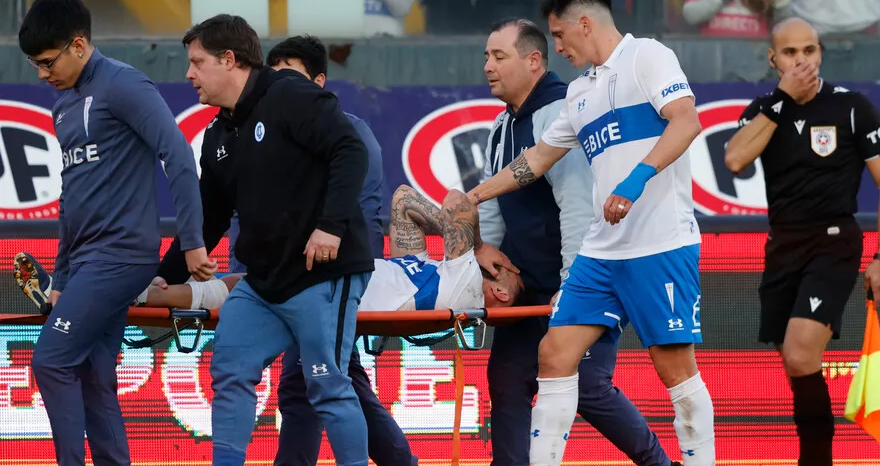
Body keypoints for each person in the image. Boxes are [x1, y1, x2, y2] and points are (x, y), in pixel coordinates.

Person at [465, 0, 720, 466]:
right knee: (555, 354)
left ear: (585, 23)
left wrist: (635, 179)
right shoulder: (580, 92)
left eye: (559, 35)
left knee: (675, 368)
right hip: (602, 252)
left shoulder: (647, 57)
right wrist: (476, 195)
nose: (557, 47)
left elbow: (687, 121)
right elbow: (537, 159)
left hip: (660, 242)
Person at [148, 14, 374, 466]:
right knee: (229, 368)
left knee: (327, 384)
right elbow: (208, 220)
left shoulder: (290, 93)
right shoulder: (217, 134)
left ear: (230, 60)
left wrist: (331, 226)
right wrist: (165, 276)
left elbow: (350, 149)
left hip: (323, 271)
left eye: (197, 62)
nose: (189, 74)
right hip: (264, 282)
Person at [13, 0, 214, 466]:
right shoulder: (63, 104)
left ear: (79, 45)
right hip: (87, 263)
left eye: (48, 61)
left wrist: (192, 241)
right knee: (93, 374)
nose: (42, 74)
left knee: (51, 360)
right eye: (34, 64)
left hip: (121, 256)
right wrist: (62, 276)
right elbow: (72, 199)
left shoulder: (125, 84)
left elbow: (178, 154)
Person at [724, 17, 880, 466]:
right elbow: (735, 160)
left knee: (802, 353)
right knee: (796, 364)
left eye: (809, 50)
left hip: (834, 242)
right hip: (782, 247)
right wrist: (781, 100)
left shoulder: (851, 107)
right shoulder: (764, 110)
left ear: (821, 53)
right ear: (773, 59)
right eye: (790, 52)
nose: (801, 60)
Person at [16, 185, 522, 318]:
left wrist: (478, 247)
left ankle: (102, 292)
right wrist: (469, 246)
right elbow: (404, 201)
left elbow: (456, 203)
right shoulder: (438, 268)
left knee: (252, 275)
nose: (506, 266)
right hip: (349, 280)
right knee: (241, 283)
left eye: (509, 273)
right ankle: (133, 294)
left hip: (340, 289)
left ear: (498, 292)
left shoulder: (464, 283)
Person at [227, 35, 386, 272]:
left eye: (290, 77)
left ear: (318, 81)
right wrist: (240, 278)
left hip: (333, 277)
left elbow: (366, 212)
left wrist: (368, 282)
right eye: (273, 78)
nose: (279, 87)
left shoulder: (354, 134)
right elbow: (243, 215)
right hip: (265, 280)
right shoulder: (251, 129)